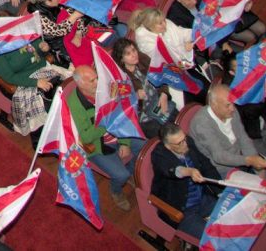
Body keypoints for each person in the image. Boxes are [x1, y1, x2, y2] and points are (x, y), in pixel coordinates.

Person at [69, 64, 135, 209]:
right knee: (121, 175)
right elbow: (86, 137)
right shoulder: (74, 104)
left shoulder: (106, 88)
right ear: (80, 84)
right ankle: (116, 191)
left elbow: (122, 112)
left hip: (119, 133)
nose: (97, 82)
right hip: (97, 146)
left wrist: (125, 142)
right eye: (92, 81)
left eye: (96, 78)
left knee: (144, 146)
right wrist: (107, 119)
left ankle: (131, 170)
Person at [191, 84, 266, 182]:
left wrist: (256, 165)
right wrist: (249, 161)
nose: (233, 108)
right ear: (214, 105)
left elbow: (244, 139)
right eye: (228, 105)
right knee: (260, 186)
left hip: (242, 158)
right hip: (223, 169)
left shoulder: (231, 111)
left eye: (233, 103)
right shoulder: (202, 124)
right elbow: (219, 156)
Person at [151, 123, 221, 238]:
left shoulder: (188, 142)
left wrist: (220, 191)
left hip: (202, 198)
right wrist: (190, 171)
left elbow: (206, 165)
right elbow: (172, 170)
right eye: (179, 143)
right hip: (182, 209)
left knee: (231, 215)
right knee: (213, 237)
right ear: (168, 146)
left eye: (184, 139)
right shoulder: (159, 154)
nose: (185, 144)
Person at [130, 8, 195, 109]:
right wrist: (185, 51)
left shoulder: (166, 24)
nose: (164, 24)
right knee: (192, 101)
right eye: (160, 23)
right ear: (150, 26)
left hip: (184, 66)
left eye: (164, 21)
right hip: (169, 77)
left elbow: (182, 33)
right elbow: (169, 61)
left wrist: (191, 37)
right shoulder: (146, 42)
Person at [113, 38, 176, 137]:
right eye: (128, 54)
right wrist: (135, 97)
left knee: (179, 120)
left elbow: (161, 76)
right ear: (121, 59)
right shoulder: (121, 78)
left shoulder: (143, 60)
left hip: (159, 102)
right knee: (168, 134)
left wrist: (164, 94)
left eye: (134, 50)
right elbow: (123, 107)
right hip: (145, 117)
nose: (134, 55)